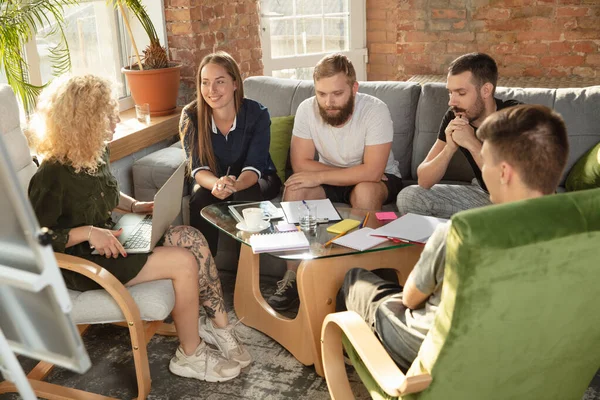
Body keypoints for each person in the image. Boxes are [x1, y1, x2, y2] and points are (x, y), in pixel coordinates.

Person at [27, 75, 251, 383]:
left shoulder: (94, 152)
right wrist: (89, 232)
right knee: (183, 262)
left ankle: (220, 327)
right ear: (84, 120)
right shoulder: (51, 175)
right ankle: (190, 354)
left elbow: (106, 193)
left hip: (111, 239)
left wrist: (134, 206)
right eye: (108, 114)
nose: (118, 118)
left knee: (191, 237)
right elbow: (36, 239)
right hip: (81, 262)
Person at [337, 104, 570, 371]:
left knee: (356, 280)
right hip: (523, 358)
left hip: (435, 354)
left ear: (504, 172)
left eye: (487, 161)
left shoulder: (459, 232)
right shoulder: (577, 232)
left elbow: (411, 301)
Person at [267, 53, 403, 311]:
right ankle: (293, 278)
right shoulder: (308, 109)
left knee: (364, 190)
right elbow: (301, 163)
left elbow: (373, 172)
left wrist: (324, 174)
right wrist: (350, 172)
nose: (328, 102)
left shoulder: (375, 110)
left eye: (337, 94)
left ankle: (357, 280)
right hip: (333, 174)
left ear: (354, 88)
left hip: (381, 179)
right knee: (296, 186)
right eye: (321, 94)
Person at [396, 52, 522, 219]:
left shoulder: (516, 118)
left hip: (521, 201)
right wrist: (449, 148)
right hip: (485, 196)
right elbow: (424, 180)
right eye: (450, 92)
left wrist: (472, 143)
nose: (451, 102)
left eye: (461, 93)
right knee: (409, 197)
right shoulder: (455, 116)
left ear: (486, 90)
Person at [181, 51, 281, 256]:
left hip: (256, 178)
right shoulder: (191, 116)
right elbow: (198, 168)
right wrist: (218, 184)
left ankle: (247, 273)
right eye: (205, 82)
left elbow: (254, 166)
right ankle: (205, 270)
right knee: (199, 198)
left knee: (245, 195)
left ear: (235, 83)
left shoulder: (258, 114)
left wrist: (233, 185)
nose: (211, 90)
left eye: (220, 82)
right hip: (214, 181)